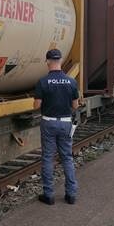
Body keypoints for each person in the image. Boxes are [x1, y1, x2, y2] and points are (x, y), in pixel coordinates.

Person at [33, 49, 79, 205]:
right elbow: (75, 105)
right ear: (60, 61)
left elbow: (36, 105)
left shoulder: (43, 81)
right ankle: (71, 195)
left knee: (48, 158)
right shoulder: (71, 81)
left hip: (49, 122)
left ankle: (49, 195)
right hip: (66, 122)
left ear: (47, 62)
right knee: (67, 158)